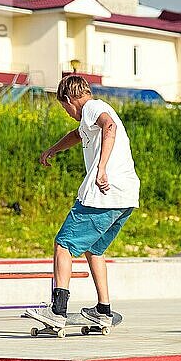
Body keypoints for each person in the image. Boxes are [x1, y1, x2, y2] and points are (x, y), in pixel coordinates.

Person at [25, 75, 139, 328]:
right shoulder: (91, 115)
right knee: (94, 249)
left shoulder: (92, 107)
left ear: (68, 100)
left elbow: (109, 127)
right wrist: (53, 149)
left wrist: (101, 168)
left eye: (64, 108)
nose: (67, 113)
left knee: (63, 243)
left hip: (103, 194)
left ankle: (57, 311)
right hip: (125, 196)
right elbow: (76, 135)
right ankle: (103, 310)